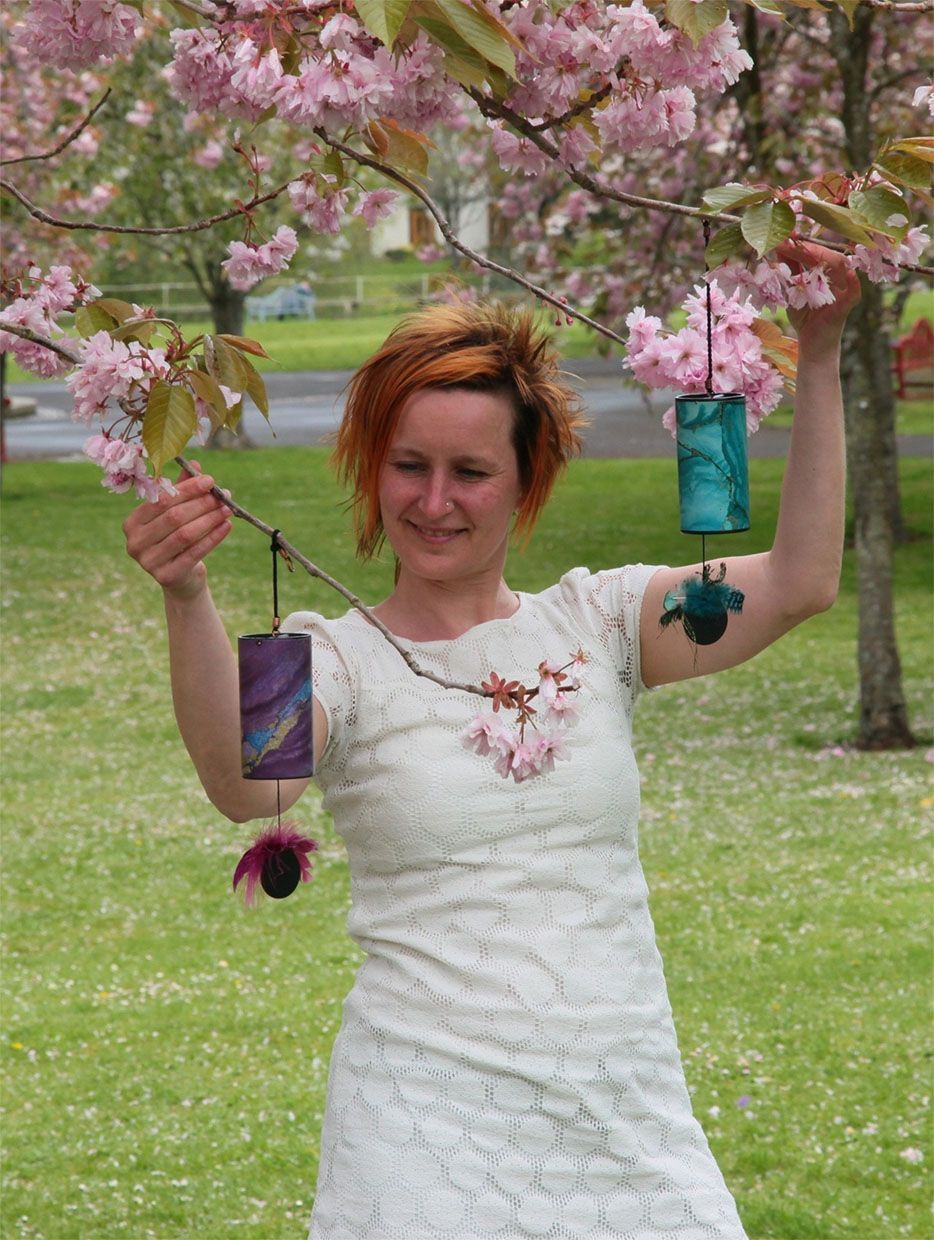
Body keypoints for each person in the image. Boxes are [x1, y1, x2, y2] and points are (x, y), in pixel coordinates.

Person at [123, 241, 859, 1238]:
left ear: (525, 480)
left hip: (619, 1114)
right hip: (421, 1131)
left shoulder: (603, 623)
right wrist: (186, 593)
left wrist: (817, 358)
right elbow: (247, 785)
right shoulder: (327, 656)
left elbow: (802, 580)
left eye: (469, 471)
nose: (433, 502)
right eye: (409, 466)